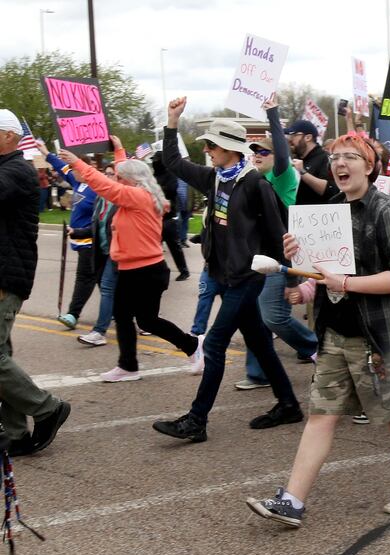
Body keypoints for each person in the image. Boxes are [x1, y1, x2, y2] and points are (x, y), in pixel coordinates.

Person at [245, 133, 390, 528]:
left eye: (350, 157)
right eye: (335, 158)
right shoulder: (327, 210)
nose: (340, 164)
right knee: (321, 414)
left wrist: (346, 284)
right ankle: (292, 500)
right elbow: (322, 272)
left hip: (379, 336)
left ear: (370, 166)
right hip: (335, 334)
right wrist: (305, 277)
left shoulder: (387, 211)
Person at [152, 97, 302, 442]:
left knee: (216, 344)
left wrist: (291, 273)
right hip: (225, 274)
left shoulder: (255, 184)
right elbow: (174, 160)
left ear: (228, 149)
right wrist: (172, 121)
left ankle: (196, 420)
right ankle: (289, 404)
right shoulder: (215, 178)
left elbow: (278, 234)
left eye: (211, 146)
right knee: (260, 343)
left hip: (246, 278)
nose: (206, 150)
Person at [59, 136, 202, 383]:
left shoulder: (138, 197)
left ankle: (193, 345)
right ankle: (128, 366)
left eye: (119, 176)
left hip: (146, 271)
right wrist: (119, 150)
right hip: (132, 269)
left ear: (131, 181)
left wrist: (77, 164)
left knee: (148, 320)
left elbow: (107, 186)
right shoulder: (138, 192)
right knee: (124, 316)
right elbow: (121, 175)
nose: (115, 178)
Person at [0, 108, 71, 456]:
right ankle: (14, 433)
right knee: (3, 355)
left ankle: (48, 408)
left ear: (10, 136)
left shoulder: (17, 171)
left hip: (5, 275)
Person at [236, 98, 317, 391]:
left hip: (280, 257)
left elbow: (282, 152)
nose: (257, 155)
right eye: (254, 151)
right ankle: (257, 372)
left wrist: (272, 113)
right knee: (252, 315)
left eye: (263, 150)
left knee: (273, 316)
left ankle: (314, 346)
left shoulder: (281, 178)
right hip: (256, 258)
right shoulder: (251, 180)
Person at [36, 140, 97, 330]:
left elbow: (99, 221)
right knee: (104, 281)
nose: (73, 171)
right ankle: (119, 311)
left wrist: (79, 231)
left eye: (76, 168)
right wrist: (46, 152)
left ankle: (73, 314)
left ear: (84, 169)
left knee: (85, 278)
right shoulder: (77, 182)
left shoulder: (97, 189)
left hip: (90, 241)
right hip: (80, 240)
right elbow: (62, 167)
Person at [71, 165, 119, 347]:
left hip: (126, 254)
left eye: (112, 174)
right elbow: (96, 226)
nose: (108, 177)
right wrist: (76, 232)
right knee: (107, 289)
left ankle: (148, 320)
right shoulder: (101, 198)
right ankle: (99, 332)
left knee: (129, 292)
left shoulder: (124, 198)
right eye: (105, 174)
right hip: (107, 254)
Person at [151, 152, 190, 281]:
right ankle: (157, 272)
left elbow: (172, 189)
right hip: (155, 217)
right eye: (153, 160)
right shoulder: (153, 176)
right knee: (153, 247)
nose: (154, 162)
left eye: (156, 160)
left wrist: (157, 189)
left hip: (168, 217)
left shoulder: (170, 174)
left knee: (174, 247)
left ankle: (184, 271)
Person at [285, 119, 338, 205]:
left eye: (294, 135)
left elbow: (330, 190)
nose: (290, 140)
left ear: (308, 137)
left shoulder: (324, 158)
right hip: (297, 215)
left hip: (318, 215)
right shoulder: (298, 158)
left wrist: (303, 172)